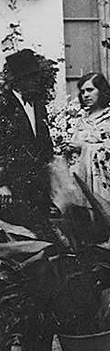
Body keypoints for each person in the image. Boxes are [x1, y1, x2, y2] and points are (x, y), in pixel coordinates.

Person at [0, 49, 54, 237]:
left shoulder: (38, 104)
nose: (35, 81)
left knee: (41, 236)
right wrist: (2, 183)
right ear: (17, 80)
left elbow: (43, 142)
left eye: (36, 76)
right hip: (12, 187)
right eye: (30, 77)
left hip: (38, 185)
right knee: (18, 237)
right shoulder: (3, 105)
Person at [66, 72, 110, 219]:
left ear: (101, 90)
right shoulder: (82, 120)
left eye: (90, 90)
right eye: (82, 92)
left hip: (104, 184)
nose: (85, 95)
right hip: (81, 182)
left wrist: (84, 147)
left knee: (104, 223)